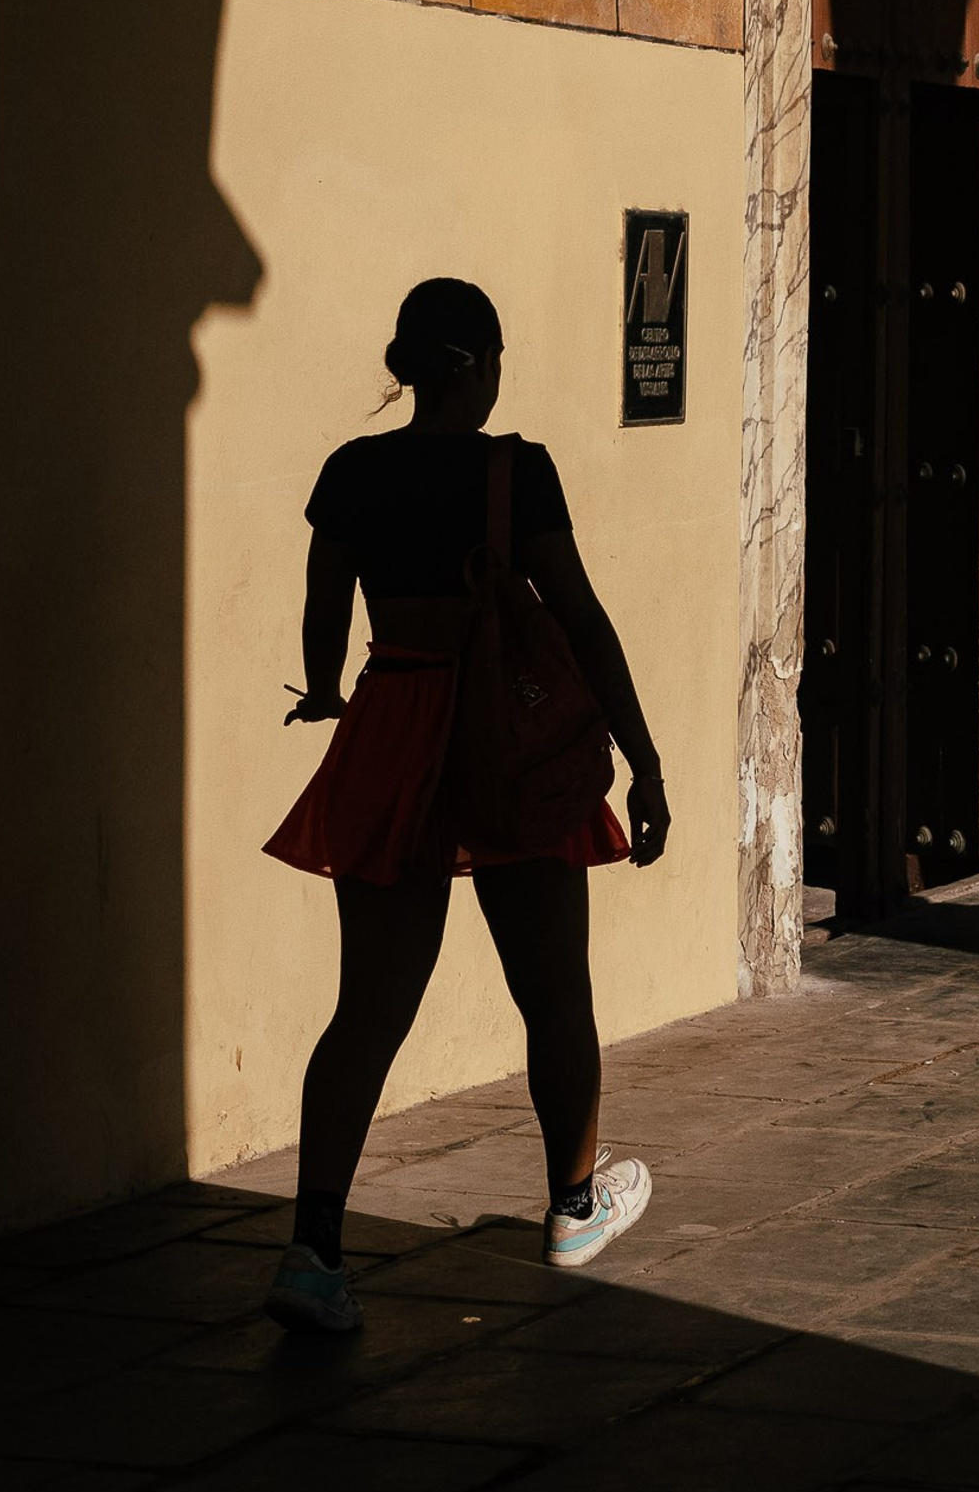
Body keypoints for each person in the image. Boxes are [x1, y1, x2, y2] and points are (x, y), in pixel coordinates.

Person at [258, 278, 670, 1333]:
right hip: (508, 738)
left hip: (393, 727)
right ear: (481, 367)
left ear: (404, 367)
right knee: (552, 990)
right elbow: (578, 617)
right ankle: (573, 1206)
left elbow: (321, 619)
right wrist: (643, 756)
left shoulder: (351, 472)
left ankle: (314, 1249)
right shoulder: (514, 473)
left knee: (369, 1007)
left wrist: (327, 691)